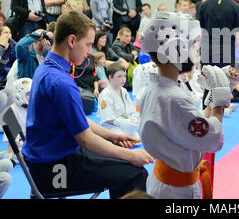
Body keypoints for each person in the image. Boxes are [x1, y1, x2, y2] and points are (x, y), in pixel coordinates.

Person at [21, 11, 154, 199]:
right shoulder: (60, 82)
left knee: (123, 161)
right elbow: (85, 139)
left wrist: (113, 136)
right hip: (54, 172)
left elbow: (77, 119)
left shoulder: (48, 68)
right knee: (135, 173)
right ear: (72, 40)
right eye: (89, 44)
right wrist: (132, 156)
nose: (90, 51)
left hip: (47, 162)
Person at [138, 11, 239, 199]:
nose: (196, 52)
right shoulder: (173, 98)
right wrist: (220, 98)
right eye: (192, 46)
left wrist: (214, 95)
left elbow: (194, 125)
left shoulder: (158, 89)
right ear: (175, 49)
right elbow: (211, 138)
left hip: (167, 183)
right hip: (176, 191)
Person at [97, 63, 140, 141]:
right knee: (130, 139)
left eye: (124, 76)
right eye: (119, 76)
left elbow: (131, 110)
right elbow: (107, 118)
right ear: (110, 77)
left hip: (125, 122)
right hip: (111, 125)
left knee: (140, 131)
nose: (123, 79)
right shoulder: (105, 94)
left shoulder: (124, 91)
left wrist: (133, 119)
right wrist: (123, 122)